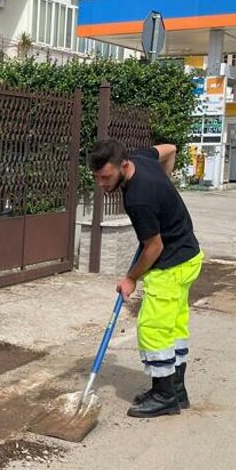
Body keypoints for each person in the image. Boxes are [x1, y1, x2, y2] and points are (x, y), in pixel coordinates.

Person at [88, 139, 203, 418]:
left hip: (170, 265)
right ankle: (176, 390)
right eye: (97, 178)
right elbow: (170, 148)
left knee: (153, 329)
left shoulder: (139, 198)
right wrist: (164, 183)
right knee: (173, 327)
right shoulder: (143, 158)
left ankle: (164, 397)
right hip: (189, 256)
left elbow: (154, 247)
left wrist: (130, 278)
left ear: (123, 165)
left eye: (106, 177)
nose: (101, 184)